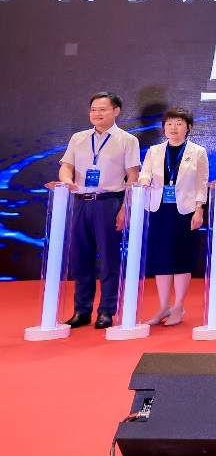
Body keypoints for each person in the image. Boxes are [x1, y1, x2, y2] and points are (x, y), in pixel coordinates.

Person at [49, 92, 141, 329]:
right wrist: (66, 181)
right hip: (80, 202)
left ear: (116, 111)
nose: (96, 114)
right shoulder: (78, 138)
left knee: (109, 259)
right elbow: (66, 167)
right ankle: (82, 310)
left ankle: (107, 310)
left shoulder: (127, 140)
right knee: (80, 259)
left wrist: (125, 208)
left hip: (108, 202)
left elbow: (132, 177)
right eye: (93, 109)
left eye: (102, 109)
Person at [137, 107, 209, 327]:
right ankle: (163, 306)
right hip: (159, 210)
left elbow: (201, 183)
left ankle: (178, 306)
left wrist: (199, 209)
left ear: (188, 127)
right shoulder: (154, 151)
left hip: (185, 211)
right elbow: (145, 173)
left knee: (181, 258)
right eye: (169, 124)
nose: (173, 128)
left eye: (179, 123)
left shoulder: (198, 152)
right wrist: (144, 181)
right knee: (161, 258)